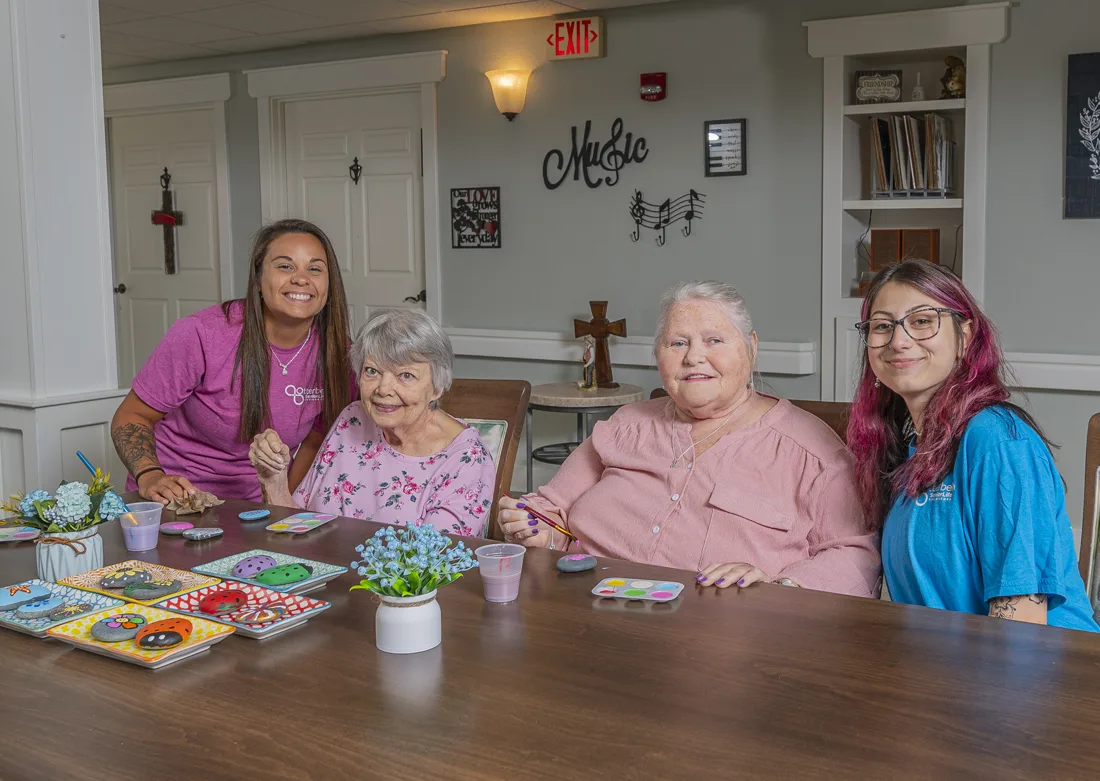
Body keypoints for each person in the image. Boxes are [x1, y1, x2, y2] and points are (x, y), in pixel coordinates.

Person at [499, 280, 882, 597]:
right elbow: (550, 509)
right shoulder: (624, 424)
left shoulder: (811, 453)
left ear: (751, 348)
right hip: (579, 606)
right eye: (677, 343)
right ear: (658, 357)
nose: (694, 357)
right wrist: (535, 526)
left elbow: (856, 556)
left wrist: (782, 585)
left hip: (720, 639)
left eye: (715, 340)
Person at [848, 260, 1097, 631]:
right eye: (883, 326)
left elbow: (1020, 627)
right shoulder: (904, 449)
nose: (899, 341)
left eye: (922, 320)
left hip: (1042, 677)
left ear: (964, 337)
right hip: (941, 674)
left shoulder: (997, 439)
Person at [111, 219, 354, 504]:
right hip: (176, 499)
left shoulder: (339, 354)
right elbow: (131, 417)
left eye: (315, 269)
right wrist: (150, 476)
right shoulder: (202, 334)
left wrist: (278, 500)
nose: (301, 279)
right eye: (285, 266)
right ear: (259, 279)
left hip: (254, 507)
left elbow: (315, 440)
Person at [250, 308, 495, 538]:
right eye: (372, 371)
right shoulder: (353, 419)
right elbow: (298, 528)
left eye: (405, 375)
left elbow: (431, 566)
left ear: (438, 388)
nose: (383, 389)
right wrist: (275, 481)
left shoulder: (467, 459)